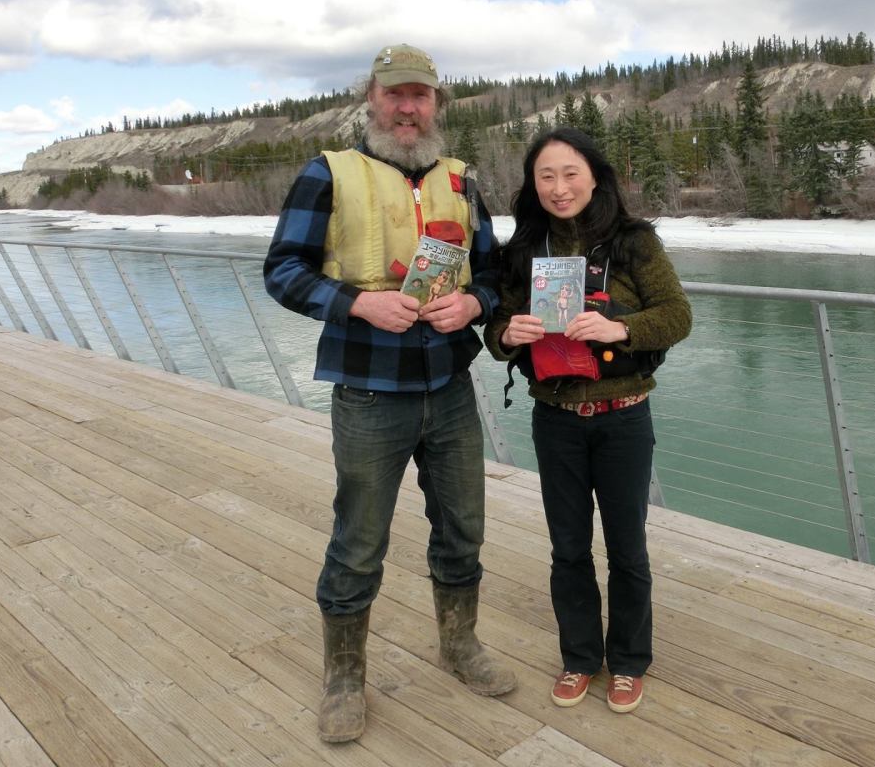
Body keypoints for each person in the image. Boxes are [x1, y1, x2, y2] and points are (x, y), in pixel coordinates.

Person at [264, 44, 516, 744]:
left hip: (450, 388)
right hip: (370, 394)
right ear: (371, 98)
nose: (409, 108)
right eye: (396, 94)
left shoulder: (462, 183)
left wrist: (475, 305)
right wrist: (353, 303)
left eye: (421, 97)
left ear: (437, 106)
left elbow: (495, 275)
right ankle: (344, 678)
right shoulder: (328, 174)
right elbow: (282, 271)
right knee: (358, 543)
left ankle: (459, 645)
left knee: (463, 531)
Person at [485, 127, 691, 714]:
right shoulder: (522, 251)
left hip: (624, 417)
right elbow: (495, 330)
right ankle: (580, 658)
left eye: (570, 173)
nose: (558, 187)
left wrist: (620, 328)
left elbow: (677, 315)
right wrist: (507, 332)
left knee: (627, 548)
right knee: (568, 547)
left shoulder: (633, 242)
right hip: (556, 420)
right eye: (545, 176)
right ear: (532, 185)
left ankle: (628, 662)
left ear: (595, 176)